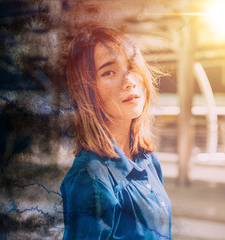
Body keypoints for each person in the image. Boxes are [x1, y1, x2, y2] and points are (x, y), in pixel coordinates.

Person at [60, 26, 171, 240]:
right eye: (109, 71)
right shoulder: (90, 180)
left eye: (132, 67)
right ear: (88, 91)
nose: (129, 81)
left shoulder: (148, 160)